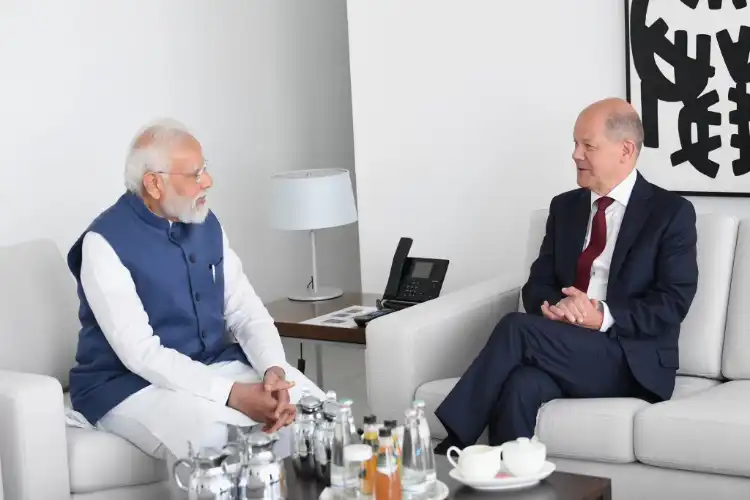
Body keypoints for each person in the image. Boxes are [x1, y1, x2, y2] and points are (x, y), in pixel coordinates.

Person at [434, 98, 699, 453]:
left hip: (630, 359)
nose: (576, 154)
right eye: (575, 143)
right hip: (564, 345)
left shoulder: (671, 213)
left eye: (588, 146)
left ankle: (452, 444)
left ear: (625, 150)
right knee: (520, 385)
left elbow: (672, 304)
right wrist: (561, 306)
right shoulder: (565, 208)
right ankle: (508, 485)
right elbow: (536, 285)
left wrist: (600, 314)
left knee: (516, 327)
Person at [66, 119, 325, 472]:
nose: (208, 181)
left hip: (213, 365)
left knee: (317, 412)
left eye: (206, 169)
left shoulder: (206, 223)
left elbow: (246, 311)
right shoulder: (103, 243)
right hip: (127, 385)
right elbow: (140, 353)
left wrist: (273, 370)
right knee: (223, 439)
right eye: (195, 174)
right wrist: (232, 394)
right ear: (154, 183)